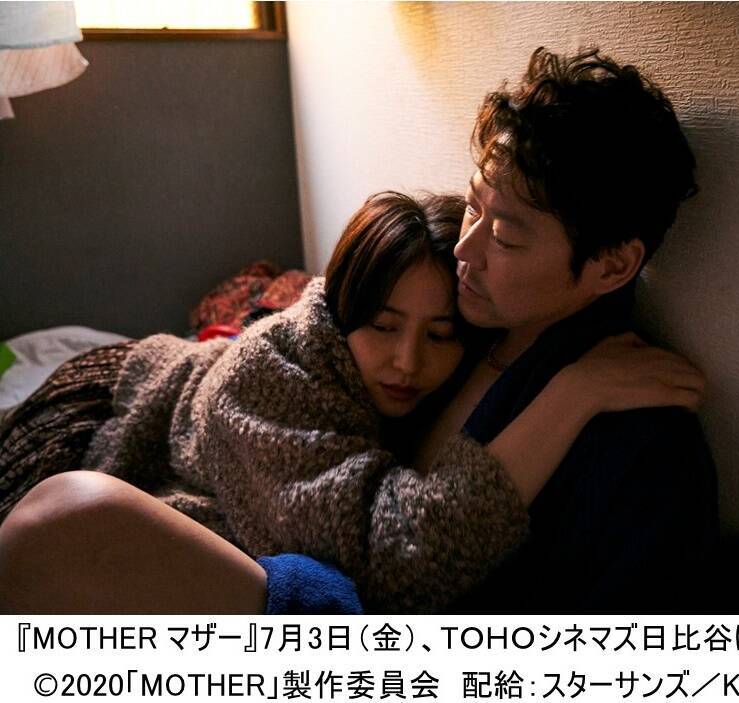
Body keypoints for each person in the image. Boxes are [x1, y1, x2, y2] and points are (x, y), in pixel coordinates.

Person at [0, 190, 703, 614]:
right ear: (342, 313)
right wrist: (575, 393)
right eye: (383, 326)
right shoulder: (275, 373)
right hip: (102, 406)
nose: (408, 362)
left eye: (439, 334)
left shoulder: (483, 358)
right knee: (71, 517)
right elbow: (394, 553)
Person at [413, 46, 721, 613]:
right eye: (474, 207)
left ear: (612, 266)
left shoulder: (644, 448)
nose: (465, 250)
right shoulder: (445, 310)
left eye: (505, 238)